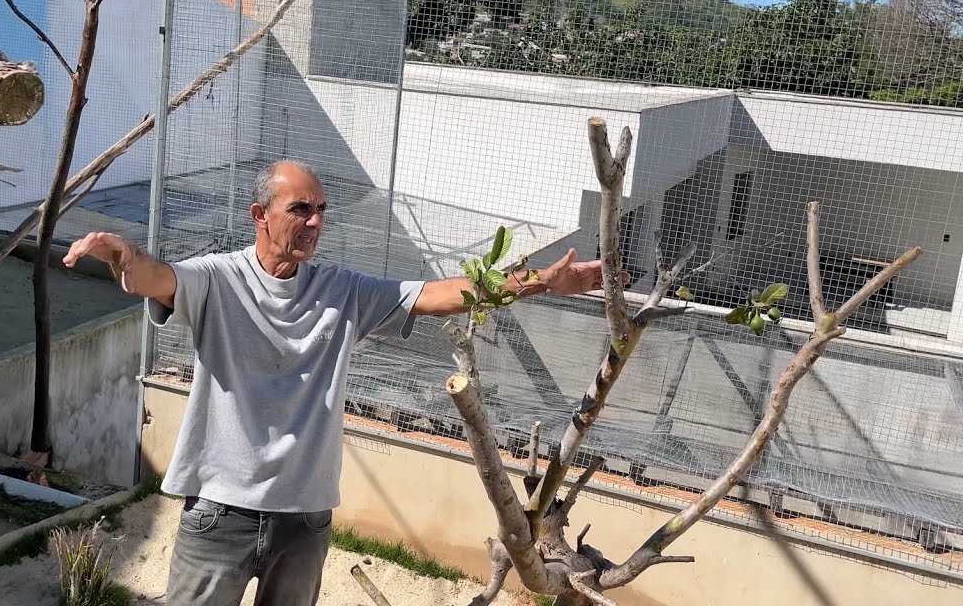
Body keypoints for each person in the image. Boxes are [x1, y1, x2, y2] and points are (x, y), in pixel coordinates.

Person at [63, 160, 620, 606]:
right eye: (299, 209)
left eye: (321, 210)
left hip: (305, 519)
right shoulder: (217, 278)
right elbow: (160, 277)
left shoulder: (343, 291)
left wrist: (539, 283)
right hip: (220, 513)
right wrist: (127, 257)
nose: (315, 222)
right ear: (260, 214)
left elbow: (437, 294)